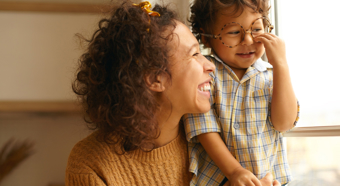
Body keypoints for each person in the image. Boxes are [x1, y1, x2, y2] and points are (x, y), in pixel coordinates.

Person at [65, 1, 283, 186]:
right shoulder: (90, 165)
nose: (210, 65)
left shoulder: (219, 145)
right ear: (155, 79)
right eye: (195, 54)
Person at [183, 0, 300, 186]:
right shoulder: (205, 74)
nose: (248, 40)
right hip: (222, 178)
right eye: (234, 32)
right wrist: (235, 172)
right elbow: (204, 129)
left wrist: (281, 65)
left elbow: (284, 123)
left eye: (257, 29)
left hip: (270, 180)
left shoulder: (272, 76)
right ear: (205, 37)